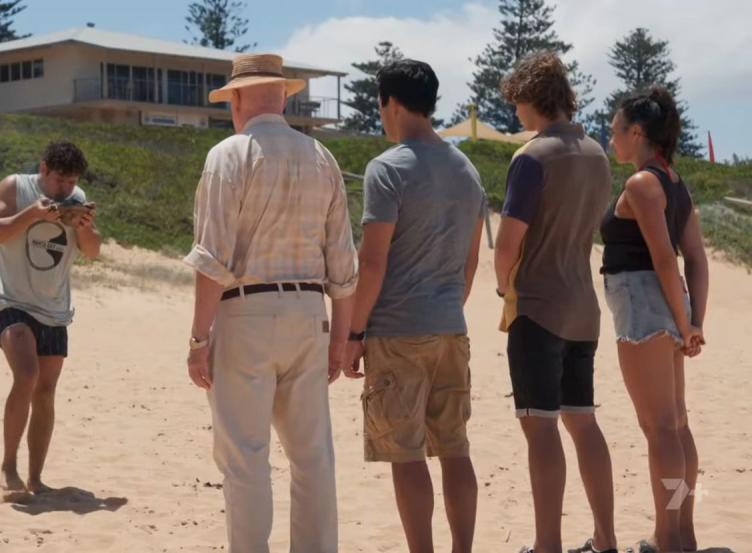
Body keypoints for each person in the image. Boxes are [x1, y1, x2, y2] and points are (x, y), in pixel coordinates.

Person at [183, 53, 358, 553]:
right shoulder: (321, 158)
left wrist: (199, 338)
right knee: (313, 458)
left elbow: (212, 260)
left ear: (237, 98)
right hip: (309, 313)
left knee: (246, 457)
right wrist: (340, 338)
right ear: (282, 95)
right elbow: (343, 264)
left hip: (244, 313)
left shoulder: (228, 155)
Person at [343, 59, 484, 553]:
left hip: (399, 329)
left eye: (380, 105)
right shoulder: (467, 171)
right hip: (451, 325)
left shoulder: (388, 168)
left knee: (405, 454)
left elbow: (373, 260)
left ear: (393, 104)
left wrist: (354, 333)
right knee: (454, 449)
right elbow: (471, 263)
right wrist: (448, 306)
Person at [492, 51, 618, 553]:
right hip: (583, 306)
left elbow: (507, 243)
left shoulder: (532, 157)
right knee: (583, 421)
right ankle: (606, 539)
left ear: (531, 98)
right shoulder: (597, 152)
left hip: (539, 305)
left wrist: (504, 285)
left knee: (539, 427)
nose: (515, 113)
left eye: (517, 103)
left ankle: (548, 545)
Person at [601, 86, 708, 553]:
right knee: (676, 425)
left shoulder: (642, 184)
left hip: (644, 303)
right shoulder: (674, 182)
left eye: (615, 130)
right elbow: (697, 261)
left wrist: (686, 326)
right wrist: (692, 320)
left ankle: (669, 537)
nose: (611, 138)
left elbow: (667, 259)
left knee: (660, 429)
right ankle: (680, 532)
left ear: (637, 132)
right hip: (670, 305)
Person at [0, 141, 101, 494]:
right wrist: (31, 214)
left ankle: (35, 478)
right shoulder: (15, 187)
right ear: (44, 169)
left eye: (72, 182)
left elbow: (93, 252)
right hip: (11, 301)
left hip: (54, 307)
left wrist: (82, 225)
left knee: (46, 392)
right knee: (27, 375)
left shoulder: (76, 197)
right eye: (60, 181)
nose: (66, 189)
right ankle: (8, 467)